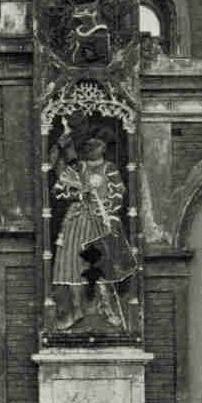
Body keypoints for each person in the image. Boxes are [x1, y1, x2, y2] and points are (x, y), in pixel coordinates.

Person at [51, 132, 135, 331]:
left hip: (100, 221)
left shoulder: (109, 169)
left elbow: (118, 193)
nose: (92, 149)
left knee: (102, 265)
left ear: (103, 148)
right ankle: (75, 310)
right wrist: (79, 195)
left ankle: (107, 310)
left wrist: (109, 210)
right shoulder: (77, 168)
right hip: (77, 221)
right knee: (73, 264)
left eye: (96, 146)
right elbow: (58, 190)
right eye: (88, 146)